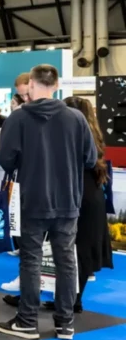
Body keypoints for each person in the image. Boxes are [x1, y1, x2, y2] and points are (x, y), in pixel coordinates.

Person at [0, 65, 96, 340]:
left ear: (31, 84)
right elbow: (90, 158)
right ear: (57, 84)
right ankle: (65, 324)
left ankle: (27, 321)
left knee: (31, 260)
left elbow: (6, 159)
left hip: (34, 199)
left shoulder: (18, 119)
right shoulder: (76, 118)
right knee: (66, 261)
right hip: (68, 200)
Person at [48, 97, 112, 314]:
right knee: (81, 248)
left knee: (72, 248)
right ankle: (71, 298)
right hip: (90, 195)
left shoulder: (71, 135)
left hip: (76, 194)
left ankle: (70, 299)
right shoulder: (93, 135)